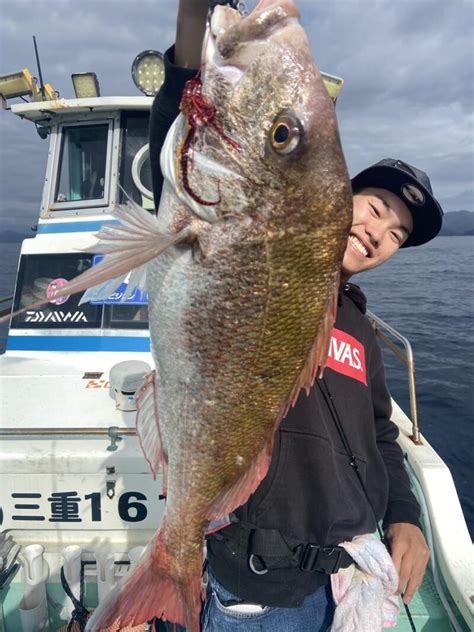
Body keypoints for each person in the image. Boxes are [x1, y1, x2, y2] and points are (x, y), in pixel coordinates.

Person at [148, 1, 443, 630]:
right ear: (332, 198)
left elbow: (381, 434)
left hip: (340, 582)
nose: (378, 231)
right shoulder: (232, 241)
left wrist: (407, 516)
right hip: (256, 591)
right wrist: (198, 23)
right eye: (373, 205)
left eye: (397, 234)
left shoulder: (358, 327)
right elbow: (184, 106)